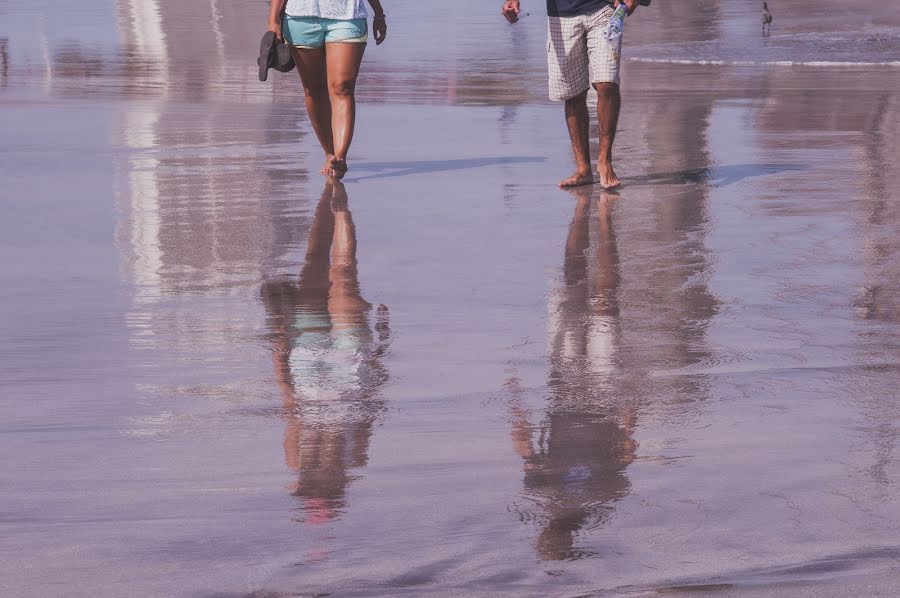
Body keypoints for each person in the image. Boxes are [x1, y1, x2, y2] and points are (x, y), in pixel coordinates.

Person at [502, 0, 642, 189]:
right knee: (573, 92)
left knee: (606, 82)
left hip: (605, 9)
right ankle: (583, 169)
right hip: (562, 14)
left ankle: (604, 161)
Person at [267, 0, 387, 179]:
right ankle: (330, 153)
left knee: (342, 87)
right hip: (301, 17)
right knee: (313, 89)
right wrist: (273, 20)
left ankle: (340, 157)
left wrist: (378, 13)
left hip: (347, 17)